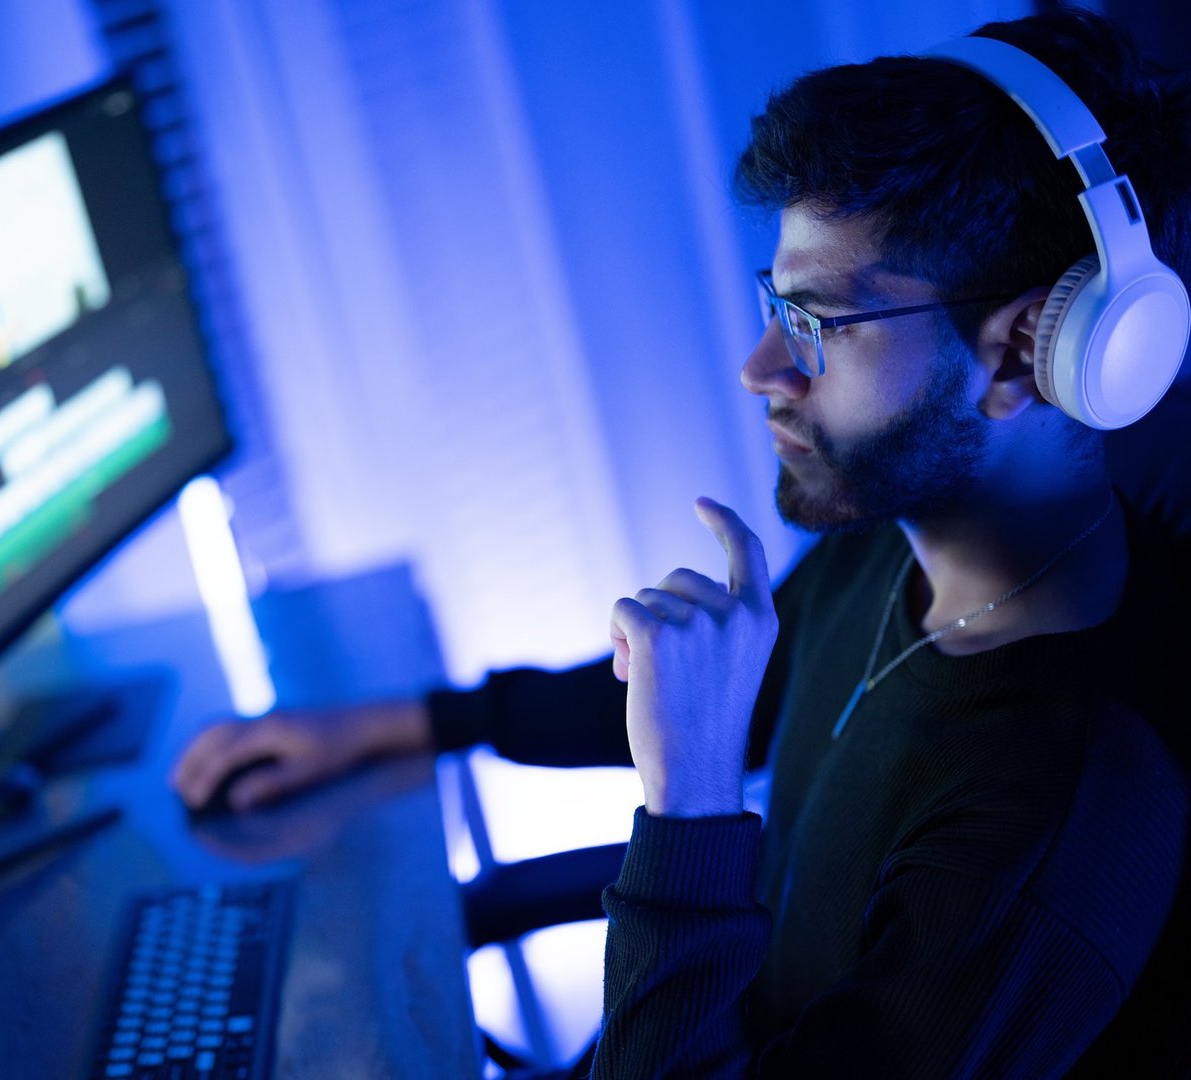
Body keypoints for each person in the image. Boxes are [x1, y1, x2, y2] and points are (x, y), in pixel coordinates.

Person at [171, 11, 1191, 1076]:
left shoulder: (1055, 829)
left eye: (817, 325)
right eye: (772, 302)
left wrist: (691, 796)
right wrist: (415, 723)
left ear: (1024, 351)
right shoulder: (899, 548)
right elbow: (758, 681)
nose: (760, 367)